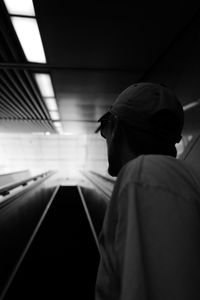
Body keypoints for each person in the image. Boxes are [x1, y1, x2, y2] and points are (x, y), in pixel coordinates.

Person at [95, 82, 200, 300]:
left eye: (105, 130)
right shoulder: (169, 177)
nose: (105, 139)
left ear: (115, 128)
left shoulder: (145, 177)